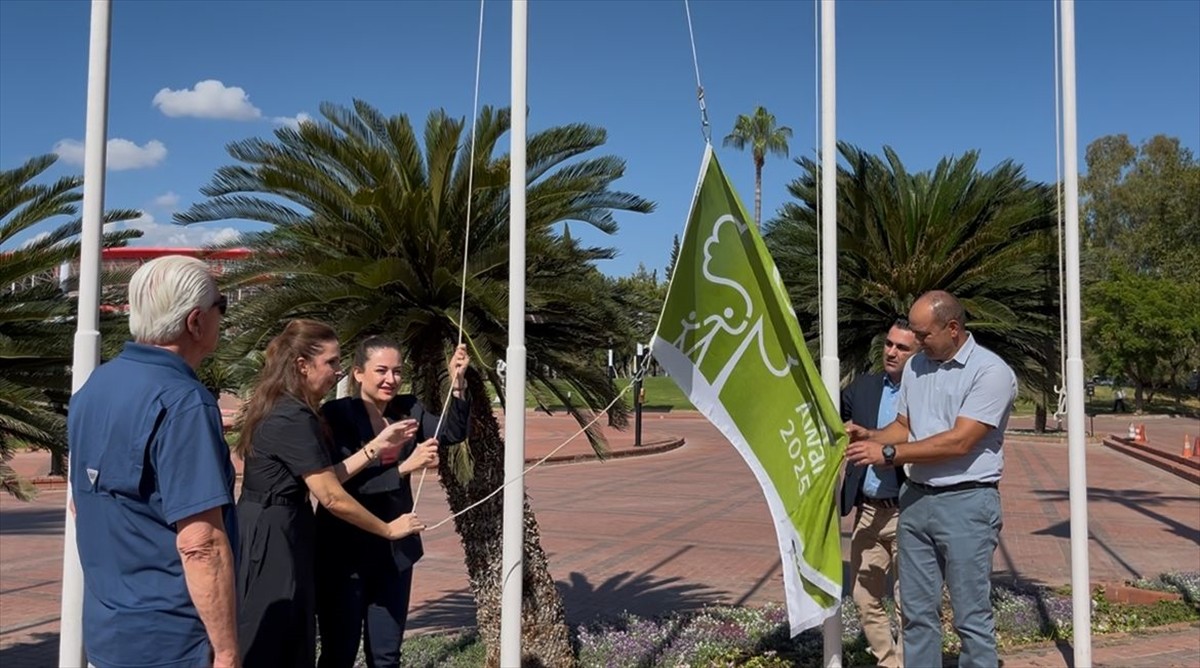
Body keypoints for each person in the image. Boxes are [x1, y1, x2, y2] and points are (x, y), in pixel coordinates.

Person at [68, 255, 239, 668]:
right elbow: (201, 544)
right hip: (173, 640)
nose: (224, 318)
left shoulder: (94, 388)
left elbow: (80, 504)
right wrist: (228, 652)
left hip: (110, 631)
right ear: (195, 322)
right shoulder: (184, 402)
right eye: (223, 306)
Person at [234, 320, 425, 667]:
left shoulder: (287, 404)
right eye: (332, 363)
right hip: (274, 535)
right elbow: (332, 497)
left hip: (279, 525)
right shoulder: (293, 416)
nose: (339, 372)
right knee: (275, 640)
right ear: (302, 365)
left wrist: (374, 448)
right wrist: (388, 529)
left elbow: (324, 476)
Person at [846, 290, 1016, 668]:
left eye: (923, 335)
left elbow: (960, 441)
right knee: (917, 615)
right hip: (917, 500)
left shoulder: (991, 373)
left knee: (971, 617)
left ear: (953, 328)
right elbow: (905, 426)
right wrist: (871, 437)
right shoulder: (917, 367)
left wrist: (888, 455)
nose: (916, 343)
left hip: (967, 503)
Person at [316, 336, 472, 668]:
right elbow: (340, 484)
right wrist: (404, 466)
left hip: (393, 556)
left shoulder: (408, 407)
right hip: (344, 556)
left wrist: (457, 382)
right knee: (338, 653)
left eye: (397, 371)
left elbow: (452, 430)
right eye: (381, 371)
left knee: (386, 656)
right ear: (358, 373)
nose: (391, 380)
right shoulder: (337, 414)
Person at [839, 319, 918, 668]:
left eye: (902, 347)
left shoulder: (924, 391)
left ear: (917, 352)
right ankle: (888, 661)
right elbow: (832, 421)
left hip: (908, 509)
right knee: (863, 594)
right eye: (889, 344)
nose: (891, 352)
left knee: (909, 601)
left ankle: (906, 661)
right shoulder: (865, 388)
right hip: (868, 512)